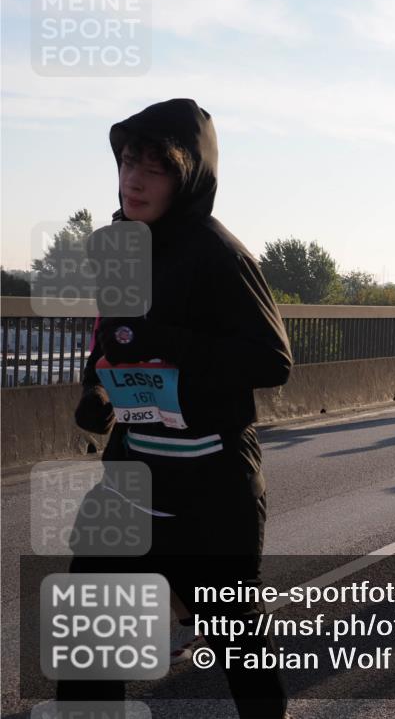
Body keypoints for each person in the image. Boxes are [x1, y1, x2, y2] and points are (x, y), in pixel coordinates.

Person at [67, 99, 293, 718]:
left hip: (211, 483)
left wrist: (169, 344)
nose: (134, 180)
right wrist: (95, 392)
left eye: (155, 168)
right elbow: (110, 337)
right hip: (134, 474)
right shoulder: (117, 247)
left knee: (239, 644)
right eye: (127, 162)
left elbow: (272, 360)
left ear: (187, 176)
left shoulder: (221, 255)